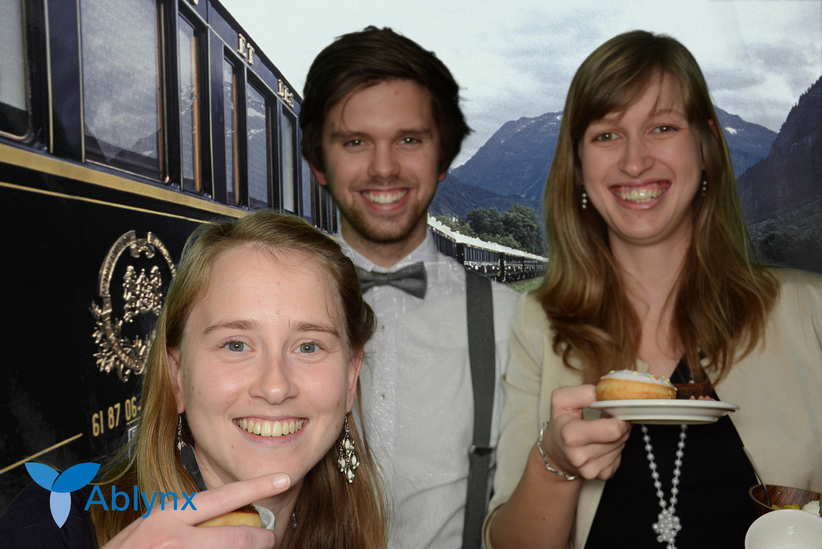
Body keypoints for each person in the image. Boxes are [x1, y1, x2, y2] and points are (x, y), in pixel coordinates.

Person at [485, 30, 822, 549]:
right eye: (606, 135)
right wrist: (554, 463)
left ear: (707, 145)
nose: (635, 161)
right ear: (578, 167)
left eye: (662, 127)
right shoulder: (539, 324)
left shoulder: (809, 311)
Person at [0, 211, 387, 548]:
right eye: (236, 344)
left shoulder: (356, 536)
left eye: (308, 347)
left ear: (350, 379)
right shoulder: (55, 520)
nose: (275, 387)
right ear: (177, 375)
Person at [299, 26, 520, 548]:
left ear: (442, 160)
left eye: (409, 140)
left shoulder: (512, 322)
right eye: (355, 141)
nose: (384, 168)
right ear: (318, 163)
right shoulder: (267, 309)